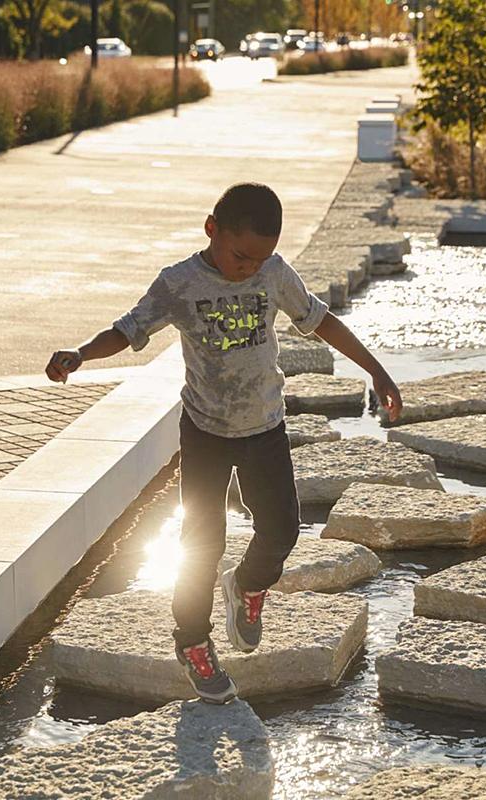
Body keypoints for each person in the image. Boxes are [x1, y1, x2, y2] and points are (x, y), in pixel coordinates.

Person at [46, 182, 402, 703]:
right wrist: (80, 353)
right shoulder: (180, 283)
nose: (248, 268)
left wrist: (377, 371)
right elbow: (128, 329)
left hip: (265, 426)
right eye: (240, 255)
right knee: (201, 542)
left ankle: (248, 585)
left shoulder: (273, 274)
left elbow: (321, 321)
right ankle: (192, 643)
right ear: (212, 229)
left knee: (281, 532)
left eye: (261, 258)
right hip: (206, 431)